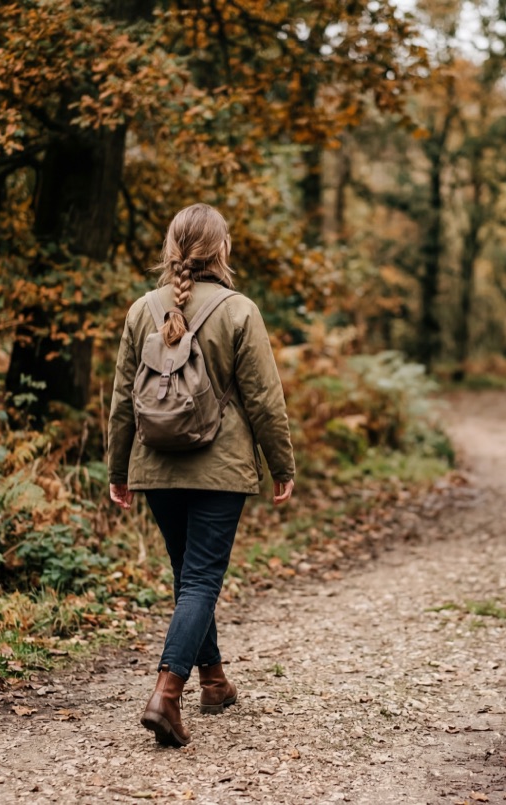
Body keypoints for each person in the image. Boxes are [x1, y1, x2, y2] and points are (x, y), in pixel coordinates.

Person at [106, 203, 296, 747]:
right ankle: (167, 693)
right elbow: (264, 399)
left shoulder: (142, 309)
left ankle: (214, 682)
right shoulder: (240, 311)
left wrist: (119, 468)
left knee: (187, 574)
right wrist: (281, 465)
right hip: (221, 467)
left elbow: (123, 399)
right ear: (222, 249)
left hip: (155, 464)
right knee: (200, 580)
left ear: (172, 250)